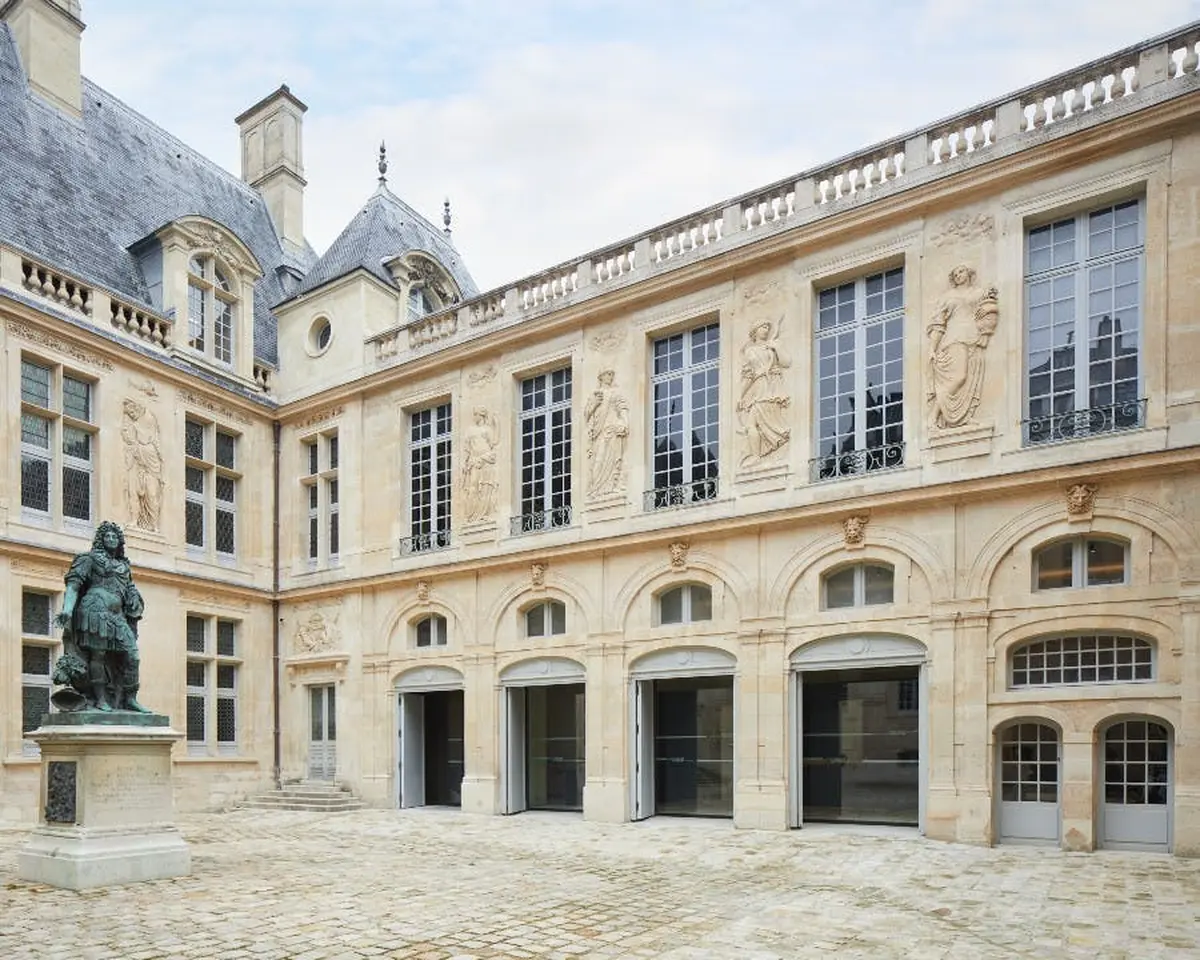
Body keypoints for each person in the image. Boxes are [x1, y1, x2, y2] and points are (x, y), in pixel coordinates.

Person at [53, 521, 151, 713]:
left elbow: (129, 588)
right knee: (98, 655)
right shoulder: (88, 559)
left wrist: (134, 599)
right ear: (101, 539)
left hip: (117, 615)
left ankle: (130, 698)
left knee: (133, 656)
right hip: (94, 611)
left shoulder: (124, 566)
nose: (111, 539)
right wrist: (67, 609)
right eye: (107, 536)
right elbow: (73, 585)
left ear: (120, 541)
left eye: (115, 536)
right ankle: (100, 699)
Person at [737, 319, 791, 464]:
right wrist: (741, 396)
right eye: (763, 326)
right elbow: (748, 376)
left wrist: (776, 348)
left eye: (768, 327)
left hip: (772, 388)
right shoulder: (750, 351)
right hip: (758, 388)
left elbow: (787, 362)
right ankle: (758, 455)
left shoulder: (773, 345)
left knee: (752, 424)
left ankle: (757, 456)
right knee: (752, 424)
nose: (766, 329)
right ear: (755, 331)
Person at [584, 369, 629, 496]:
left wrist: (625, 423)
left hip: (612, 430)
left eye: (612, 374)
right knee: (598, 461)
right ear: (601, 377)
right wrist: (595, 404)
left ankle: (610, 487)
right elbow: (587, 414)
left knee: (613, 459)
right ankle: (596, 489)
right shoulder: (594, 395)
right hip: (599, 433)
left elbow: (622, 408)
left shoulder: (615, 393)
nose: (610, 376)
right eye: (608, 374)